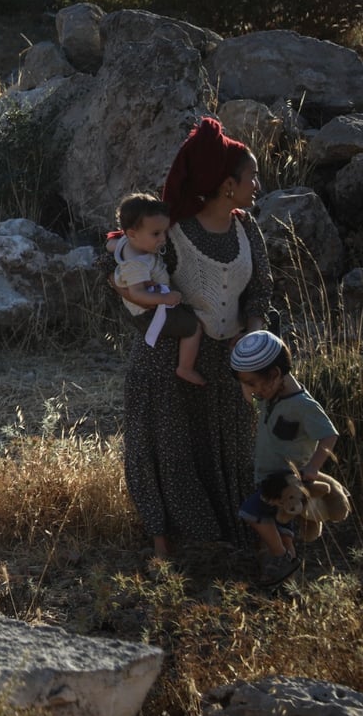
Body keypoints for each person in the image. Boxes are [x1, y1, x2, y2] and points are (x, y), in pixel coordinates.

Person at [112, 116, 273, 559]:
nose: (257, 184)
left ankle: (238, 547)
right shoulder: (174, 231)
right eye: (251, 176)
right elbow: (128, 271)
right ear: (226, 184)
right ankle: (174, 551)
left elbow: (261, 291)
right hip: (171, 365)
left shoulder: (247, 229)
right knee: (171, 454)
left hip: (230, 366)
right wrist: (134, 295)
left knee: (236, 456)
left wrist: (253, 347)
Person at [230, 331, 338, 584]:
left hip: (286, 480)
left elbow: (329, 435)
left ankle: (281, 559)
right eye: (247, 384)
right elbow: (251, 388)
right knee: (281, 527)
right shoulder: (272, 394)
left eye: (254, 383)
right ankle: (288, 580)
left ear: (276, 374)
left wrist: (312, 467)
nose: (252, 391)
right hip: (268, 477)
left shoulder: (302, 405)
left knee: (251, 513)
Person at [107, 193, 205, 386]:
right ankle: (185, 368)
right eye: (155, 234)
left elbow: (112, 244)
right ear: (133, 233)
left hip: (152, 305)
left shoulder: (128, 244)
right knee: (194, 327)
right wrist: (165, 299)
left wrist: (111, 245)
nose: (163, 239)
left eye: (163, 232)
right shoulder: (136, 264)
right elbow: (137, 293)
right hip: (148, 313)